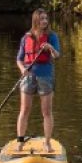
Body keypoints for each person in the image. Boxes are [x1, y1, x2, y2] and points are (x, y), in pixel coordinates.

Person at [15, 9, 62, 152]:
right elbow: (19, 59)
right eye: (42, 19)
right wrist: (23, 69)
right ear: (36, 20)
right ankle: (20, 142)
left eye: (46, 19)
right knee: (24, 110)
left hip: (45, 76)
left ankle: (47, 143)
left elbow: (57, 55)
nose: (45, 21)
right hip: (28, 77)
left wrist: (50, 48)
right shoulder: (26, 37)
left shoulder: (52, 36)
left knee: (46, 111)